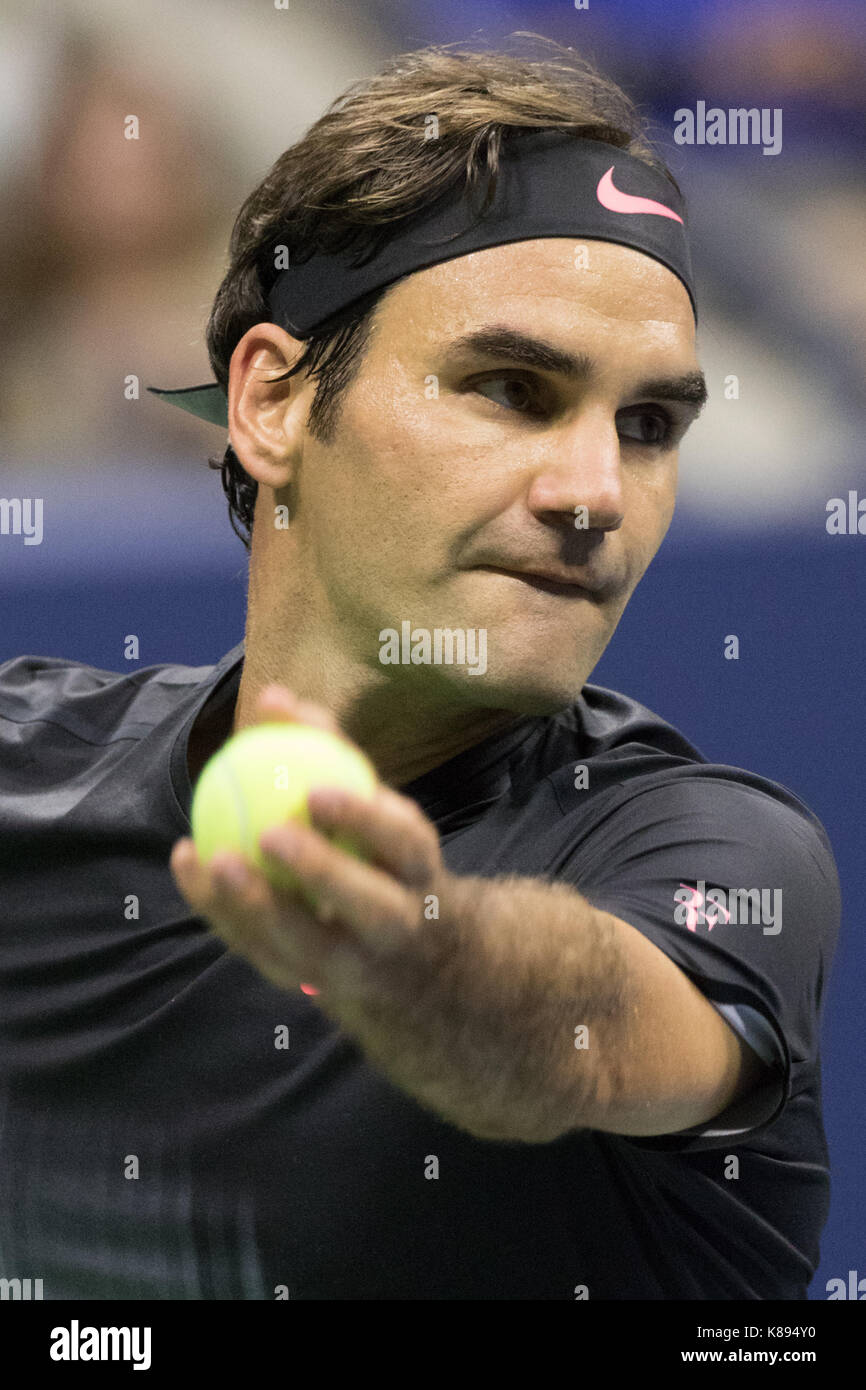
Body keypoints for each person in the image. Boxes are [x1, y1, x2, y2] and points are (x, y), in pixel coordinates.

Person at [0, 38, 840, 1300]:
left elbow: (590, 1030)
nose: (593, 494)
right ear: (272, 401)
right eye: (510, 388)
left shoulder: (716, 856)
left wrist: (411, 957)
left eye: (649, 426)